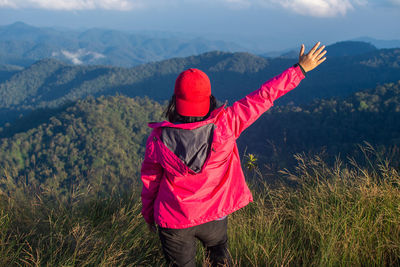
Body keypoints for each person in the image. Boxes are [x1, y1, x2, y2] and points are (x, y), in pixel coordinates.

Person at [141, 42, 327, 266]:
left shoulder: (158, 139)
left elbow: (151, 182)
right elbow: (263, 97)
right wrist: (300, 70)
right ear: (209, 100)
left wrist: (149, 215)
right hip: (215, 216)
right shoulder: (227, 124)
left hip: (174, 220)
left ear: (175, 102)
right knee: (220, 260)